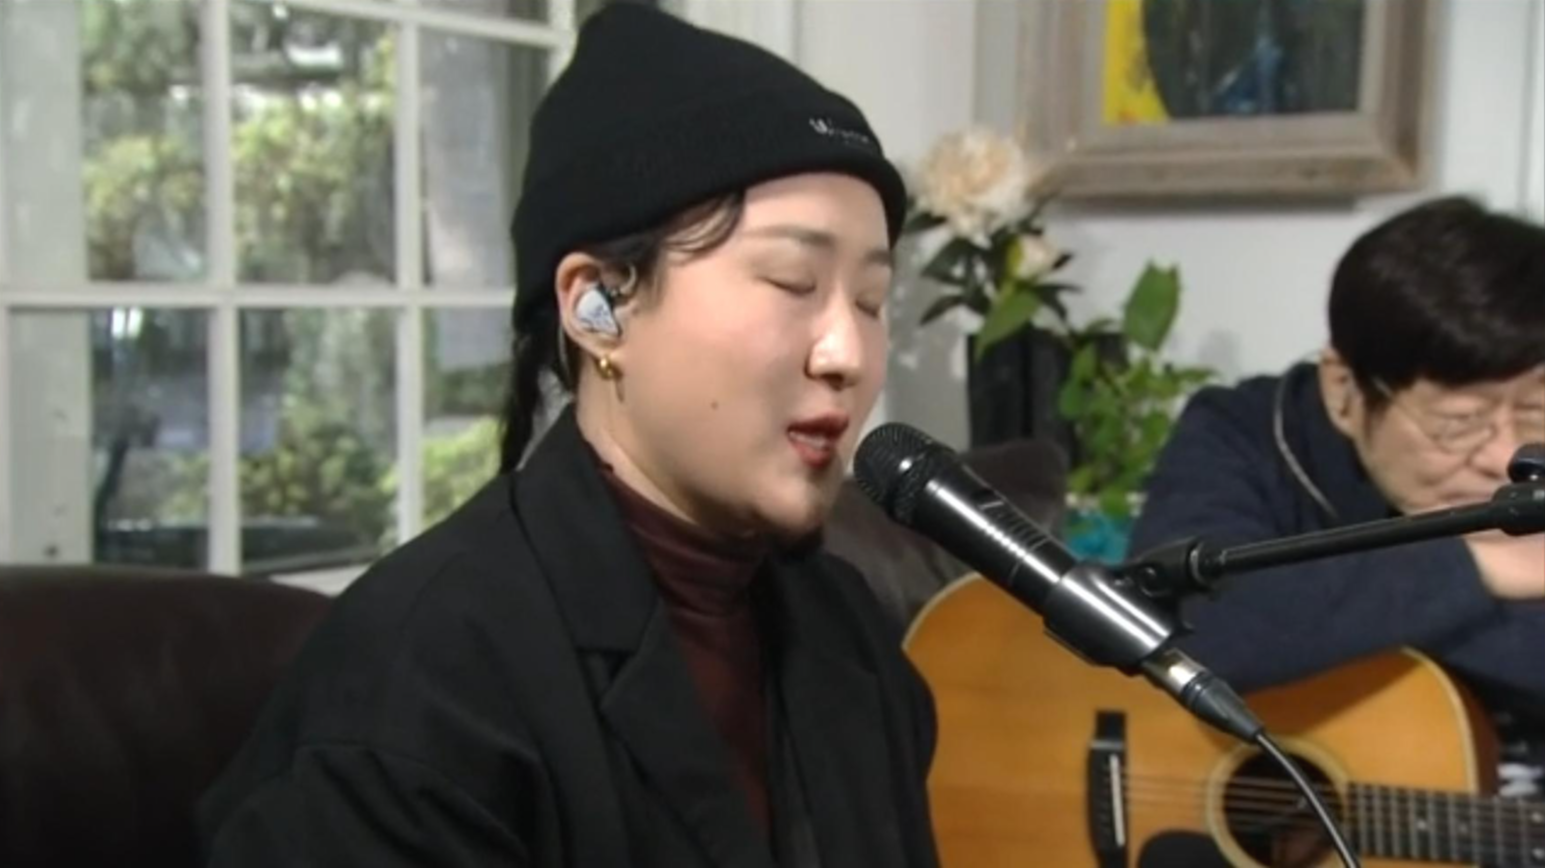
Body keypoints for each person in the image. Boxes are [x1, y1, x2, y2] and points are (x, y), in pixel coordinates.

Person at [197, 6, 941, 866]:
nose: (847, 353)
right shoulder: (422, 681)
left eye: (870, 301)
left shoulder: (843, 629)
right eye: (790, 280)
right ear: (597, 305)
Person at [1131, 196, 1545, 808]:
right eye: (1459, 422)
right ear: (1344, 389)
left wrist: (1329, 615)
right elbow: (1196, 625)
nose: (1504, 454)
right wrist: (1480, 565)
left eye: (1535, 411)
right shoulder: (1242, 435)